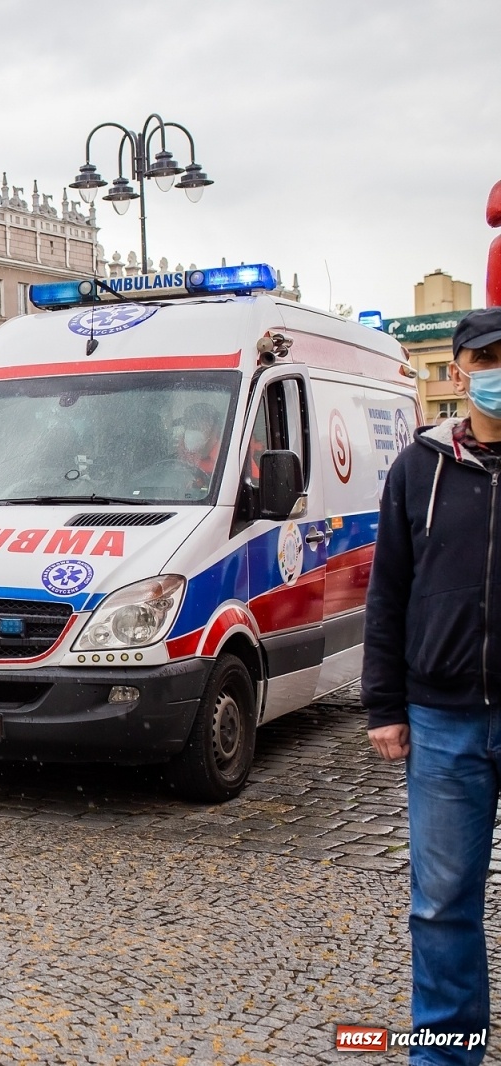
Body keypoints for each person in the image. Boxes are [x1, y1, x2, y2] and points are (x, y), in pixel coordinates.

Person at [364, 305, 501, 1065]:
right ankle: (448, 1051)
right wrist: (384, 706)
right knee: (443, 902)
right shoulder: (417, 469)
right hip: (442, 719)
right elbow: (389, 592)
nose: (495, 375)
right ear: (457, 373)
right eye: (487, 362)